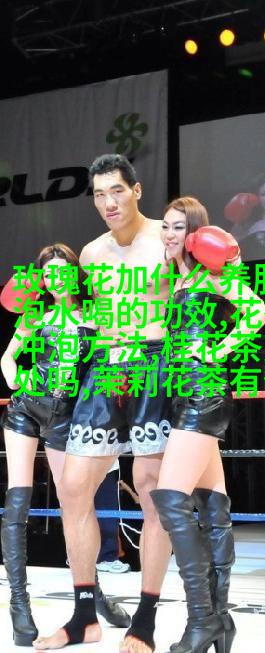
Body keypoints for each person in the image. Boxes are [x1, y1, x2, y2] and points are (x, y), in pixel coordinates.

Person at [34, 155, 172, 653]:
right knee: (73, 488)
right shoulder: (91, 254)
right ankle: (84, 616)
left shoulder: (167, 239)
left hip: (157, 366)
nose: (108, 202)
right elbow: (89, 315)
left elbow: (202, 298)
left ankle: (145, 619)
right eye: (98, 194)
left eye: (116, 191)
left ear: (136, 190)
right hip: (106, 369)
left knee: (152, 489)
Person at [150, 196, 265, 653]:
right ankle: (221, 620)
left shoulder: (211, 274)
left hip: (203, 391)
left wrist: (216, 351)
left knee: (170, 497)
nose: (168, 234)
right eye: (165, 226)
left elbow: (257, 313)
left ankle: (202, 619)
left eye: (178, 227)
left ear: (196, 234)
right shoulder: (178, 279)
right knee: (212, 505)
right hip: (183, 392)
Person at [0, 243, 129, 647]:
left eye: (62, 271)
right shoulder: (33, 315)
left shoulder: (96, 316)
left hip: (68, 420)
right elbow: (7, 358)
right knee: (18, 499)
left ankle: (93, 597)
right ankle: (19, 604)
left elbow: (119, 358)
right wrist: (14, 377)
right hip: (26, 409)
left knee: (76, 508)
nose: (56, 279)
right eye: (48, 273)